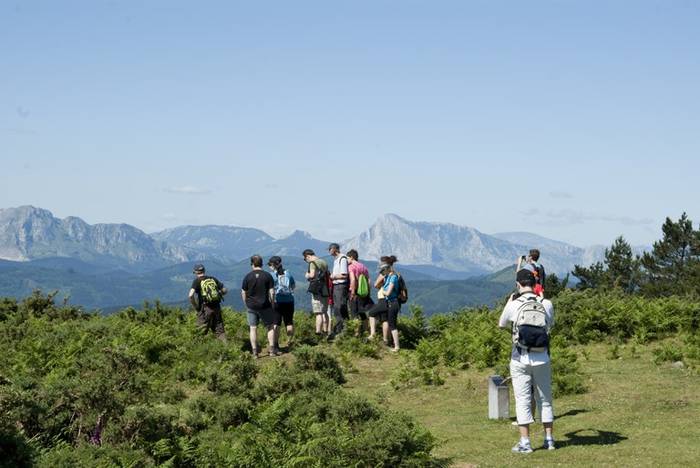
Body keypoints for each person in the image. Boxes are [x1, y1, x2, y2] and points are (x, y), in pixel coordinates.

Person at [498, 269, 556, 453]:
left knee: (523, 399)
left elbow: (501, 324)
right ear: (535, 283)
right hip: (543, 356)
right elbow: (550, 324)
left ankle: (525, 442)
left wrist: (509, 302)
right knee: (545, 400)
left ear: (518, 284)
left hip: (520, 357)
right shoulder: (546, 303)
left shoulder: (514, 304)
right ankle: (549, 440)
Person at [241, 255, 277, 358]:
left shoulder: (247, 276)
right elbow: (272, 292)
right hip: (265, 305)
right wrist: (272, 303)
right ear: (261, 263)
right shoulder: (267, 276)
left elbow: (243, 292)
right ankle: (271, 350)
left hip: (251, 306)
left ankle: (255, 352)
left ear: (252, 264)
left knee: (253, 328)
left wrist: (246, 303)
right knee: (270, 327)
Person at [367, 255, 401, 351]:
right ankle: (393, 344)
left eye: (383, 270)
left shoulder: (393, 277)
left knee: (391, 324)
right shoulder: (391, 276)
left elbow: (388, 291)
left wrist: (383, 291)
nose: (382, 273)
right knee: (390, 323)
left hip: (391, 302)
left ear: (387, 268)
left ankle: (395, 345)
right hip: (390, 302)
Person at [189, 263, 228, 342]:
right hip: (216, 307)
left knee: (200, 331)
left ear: (196, 272)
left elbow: (190, 295)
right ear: (204, 270)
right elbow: (225, 290)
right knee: (219, 330)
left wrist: (196, 307)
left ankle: (199, 351)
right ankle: (227, 349)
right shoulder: (212, 279)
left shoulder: (197, 281)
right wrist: (219, 294)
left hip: (204, 309)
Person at [268, 256, 296, 350]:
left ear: (272, 265)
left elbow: (269, 289)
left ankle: (276, 345)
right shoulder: (288, 273)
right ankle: (289, 342)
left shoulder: (271, 275)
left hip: (277, 301)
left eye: (269, 265)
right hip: (289, 301)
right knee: (289, 322)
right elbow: (293, 285)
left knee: (276, 323)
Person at [303, 249, 330, 336]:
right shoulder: (323, 262)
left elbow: (312, 275)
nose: (306, 261)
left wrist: (307, 275)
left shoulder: (312, 263)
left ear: (308, 256)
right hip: (325, 289)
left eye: (305, 259)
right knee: (325, 312)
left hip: (317, 290)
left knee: (318, 312)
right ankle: (326, 331)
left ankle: (318, 332)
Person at [347, 249, 373, 334]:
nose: (347, 260)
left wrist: (353, 292)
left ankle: (356, 334)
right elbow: (369, 280)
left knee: (354, 313)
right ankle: (366, 331)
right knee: (362, 313)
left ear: (351, 257)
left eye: (347, 258)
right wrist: (368, 292)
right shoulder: (363, 266)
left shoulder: (351, 266)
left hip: (355, 292)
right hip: (363, 293)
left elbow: (353, 279)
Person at [328, 243, 349, 338]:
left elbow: (344, 275)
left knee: (339, 307)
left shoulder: (342, 258)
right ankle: (342, 328)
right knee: (337, 307)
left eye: (329, 249)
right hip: (336, 285)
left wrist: (333, 276)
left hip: (341, 285)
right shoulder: (336, 259)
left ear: (334, 249)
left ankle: (342, 330)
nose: (329, 251)